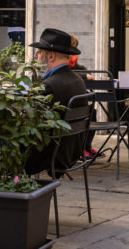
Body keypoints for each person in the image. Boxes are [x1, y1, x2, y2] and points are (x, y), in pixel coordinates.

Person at [24, 28, 87, 175]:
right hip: (70, 152)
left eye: (39, 52)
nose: (35, 56)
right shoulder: (77, 80)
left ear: (51, 56)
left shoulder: (49, 85)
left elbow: (29, 123)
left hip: (46, 154)